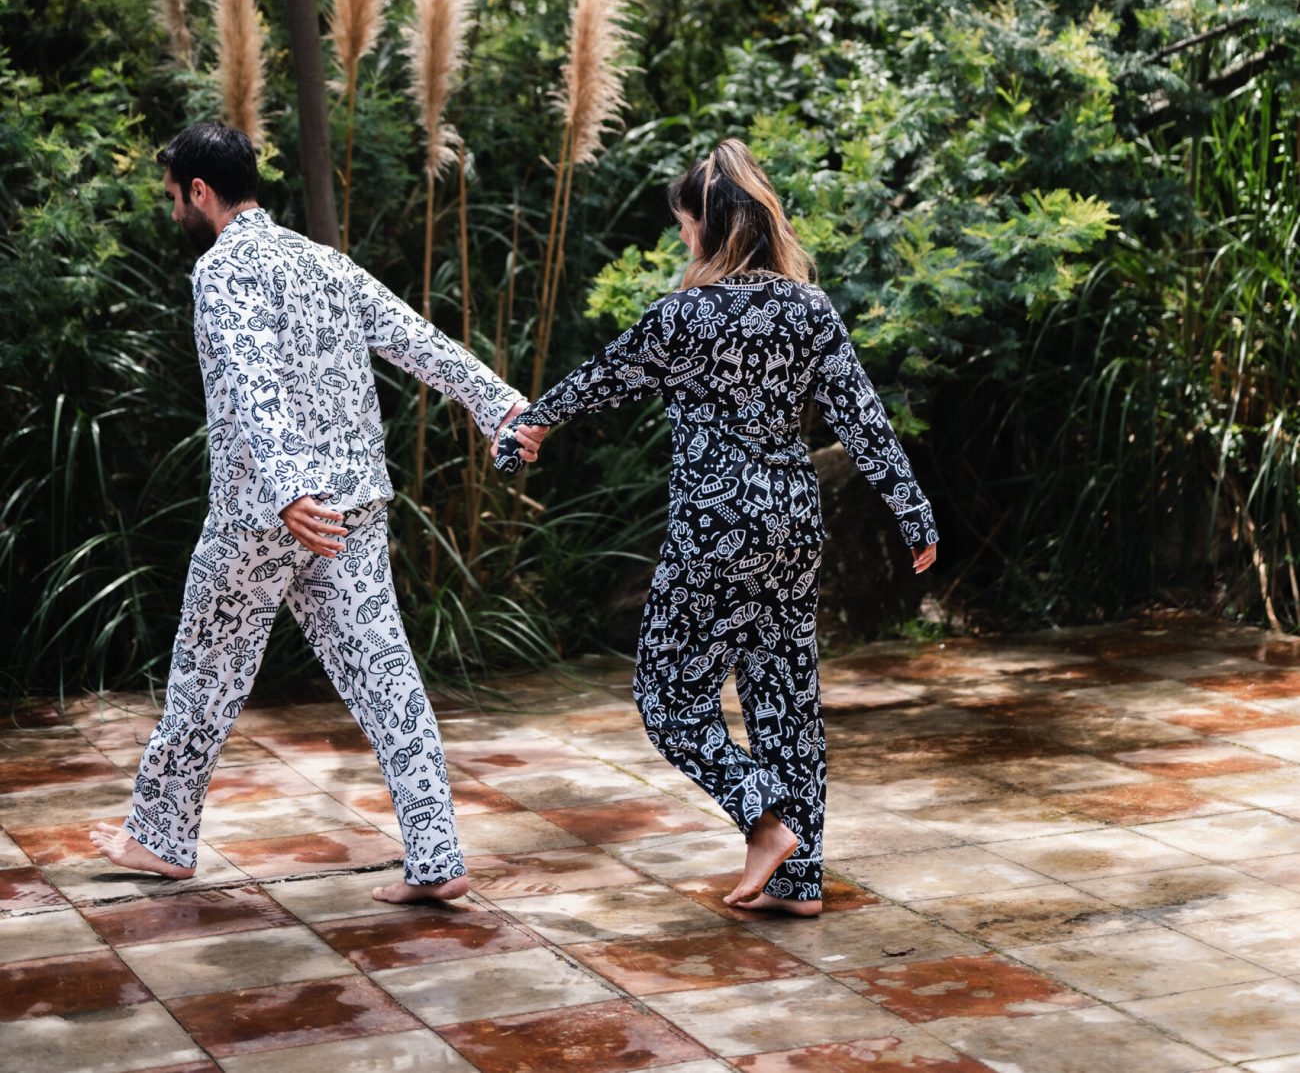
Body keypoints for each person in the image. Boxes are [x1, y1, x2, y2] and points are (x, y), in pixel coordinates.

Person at [496, 138, 937, 916]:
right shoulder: (809, 308)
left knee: (667, 697)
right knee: (785, 699)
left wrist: (529, 427)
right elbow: (863, 420)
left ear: (712, 224)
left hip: (717, 525)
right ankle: (801, 886)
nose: (681, 239)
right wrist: (914, 514)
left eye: (684, 224)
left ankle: (762, 821)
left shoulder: (684, 317)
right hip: (794, 523)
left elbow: (603, 377)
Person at [91, 120, 525, 906]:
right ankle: (437, 857)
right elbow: (419, 341)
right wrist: (499, 405)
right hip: (351, 511)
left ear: (200, 191)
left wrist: (290, 488)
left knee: (205, 675)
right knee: (388, 677)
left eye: (174, 199)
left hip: (263, 517)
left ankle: (157, 838)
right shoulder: (325, 262)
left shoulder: (223, 269)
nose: (175, 214)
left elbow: (255, 380)